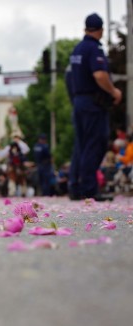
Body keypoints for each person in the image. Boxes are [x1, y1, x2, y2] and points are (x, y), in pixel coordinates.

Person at [67, 13, 122, 200]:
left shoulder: (77, 49)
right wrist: (113, 91)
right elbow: (99, 75)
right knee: (95, 143)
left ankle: (75, 187)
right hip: (93, 103)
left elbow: (69, 77)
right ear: (101, 30)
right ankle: (89, 188)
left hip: (79, 102)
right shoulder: (94, 49)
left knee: (81, 145)